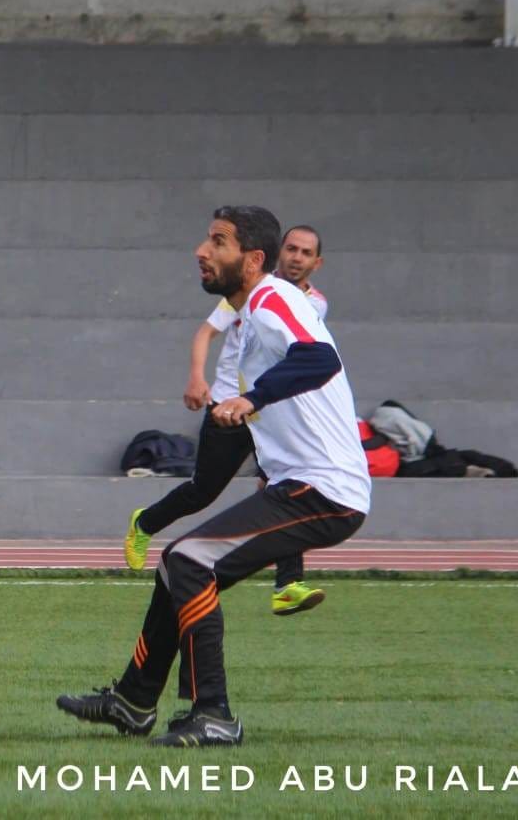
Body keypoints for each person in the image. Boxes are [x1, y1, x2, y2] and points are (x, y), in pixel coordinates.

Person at [60, 206, 369, 747]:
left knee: (188, 560)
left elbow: (320, 360)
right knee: (176, 568)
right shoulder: (253, 314)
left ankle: (214, 714)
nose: (201, 251)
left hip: (325, 489)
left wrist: (251, 399)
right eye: (206, 240)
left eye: (218, 242)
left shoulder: (273, 298)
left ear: (252, 259)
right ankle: (134, 700)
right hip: (302, 486)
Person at [123, 223, 328, 617]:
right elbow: (206, 333)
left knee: (288, 484)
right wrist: (197, 377)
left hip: (272, 411)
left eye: (305, 253)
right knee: (204, 490)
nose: (296, 258)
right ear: (275, 253)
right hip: (229, 407)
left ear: (317, 263)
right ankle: (146, 522)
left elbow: (302, 359)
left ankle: (288, 584)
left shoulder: (315, 304)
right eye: (291, 249)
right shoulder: (249, 291)